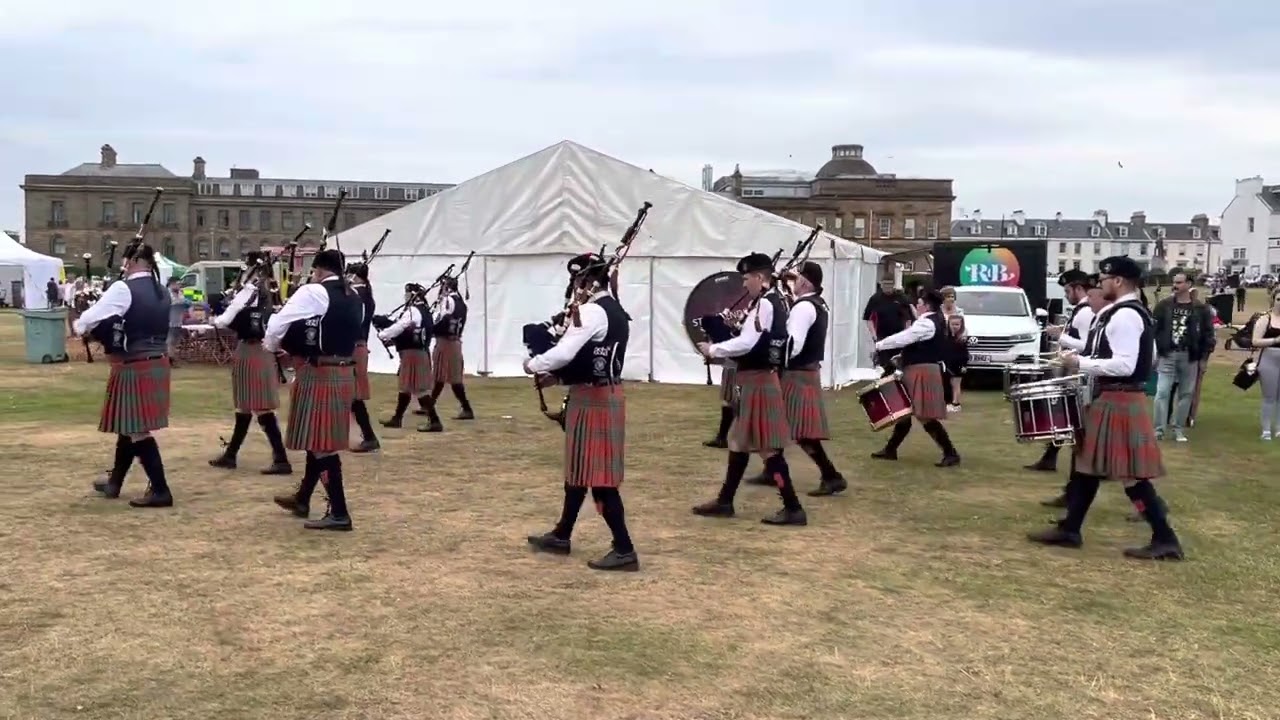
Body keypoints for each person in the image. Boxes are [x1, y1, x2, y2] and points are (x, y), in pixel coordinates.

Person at [1027, 256, 1184, 560]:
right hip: (1114, 397)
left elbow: (1126, 363)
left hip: (1120, 397)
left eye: (1102, 280)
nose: (1098, 285)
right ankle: (1071, 529)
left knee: (1130, 476)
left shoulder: (1126, 315)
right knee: (1088, 467)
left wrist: (1081, 363)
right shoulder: (1121, 313)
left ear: (1118, 281)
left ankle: (1165, 538)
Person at [523, 254, 638, 571]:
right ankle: (562, 534)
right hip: (598, 394)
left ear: (586, 281)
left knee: (600, 480)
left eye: (577, 282)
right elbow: (590, 357)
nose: (575, 289)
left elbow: (564, 351)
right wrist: (558, 378)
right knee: (578, 473)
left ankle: (625, 549)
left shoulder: (592, 311)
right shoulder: (612, 309)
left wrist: (533, 364)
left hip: (595, 399)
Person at [691, 252, 806, 526]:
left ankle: (793, 507)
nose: (743, 284)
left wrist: (714, 348)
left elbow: (749, 343)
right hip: (755, 379)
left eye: (746, 278)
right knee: (738, 442)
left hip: (759, 380)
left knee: (768, 450)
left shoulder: (766, 304)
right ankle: (725, 501)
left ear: (759, 277)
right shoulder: (769, 301)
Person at [267, 249, 363, 531]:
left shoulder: (314, 292)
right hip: (344, 372)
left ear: (319, 270)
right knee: (318, 440)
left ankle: (339, 512)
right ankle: (302, 498)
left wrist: (271, 347)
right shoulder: (354, 295)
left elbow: (277, 324)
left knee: (322, 447)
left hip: (320, 372)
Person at [75, 243, 175, 508]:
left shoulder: (123, 288)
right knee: (128, 426)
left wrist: (85, 325)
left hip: (135, 364)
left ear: (129, 262)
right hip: (157, 362)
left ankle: (161, 490)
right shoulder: (163, 291)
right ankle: (115, 482)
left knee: (138, 430)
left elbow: (86, 321)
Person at [207, 257, 292, 475]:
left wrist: (216, 317)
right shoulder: (265, 292)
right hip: (256, 349)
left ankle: (281, 458)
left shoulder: (251, 291)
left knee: (261, 407)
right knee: (245, 406)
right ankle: (231, 455)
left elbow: (225, 320)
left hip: (253, 350)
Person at [870, 288, 961, 466]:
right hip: (920, 369)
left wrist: (880, 345)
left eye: (919, 303)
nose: (916, 306)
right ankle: (890, 450)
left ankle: (951, 453)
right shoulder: (937, 319)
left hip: (923, 371)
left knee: (924, 415)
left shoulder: (926, 323)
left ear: (926, 305)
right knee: (905, 411)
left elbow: (905, 337)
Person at [782, 262, 847, 496]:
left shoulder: (803, 307)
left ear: (805, 282)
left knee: (799, 430)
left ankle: (831, 475)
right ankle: (829, 475)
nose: (794, 281)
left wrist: (777, 361)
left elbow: (794, 344)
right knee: (790, 427)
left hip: (796, 373)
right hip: (805, 373)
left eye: (797, 277)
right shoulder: (818, 304)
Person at [1028, 270, 1099, 477]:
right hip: (1072, 368)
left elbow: (1087, 345)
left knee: (1071, 417)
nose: (1066, 295)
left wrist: (1061, 337)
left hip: (1077, 370)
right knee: (1066, 416)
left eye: (1068, 290)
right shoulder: (1081, 310)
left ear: (1079, 288)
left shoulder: (1085, 312)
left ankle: (1078, 467)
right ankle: (1050, 457)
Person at [1151, 271, 1214, 442]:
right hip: (1168, 354)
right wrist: (1155, 355)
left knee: (1186, 393)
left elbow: (1208, 336)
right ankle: (1159, 429)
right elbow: (1153, 330)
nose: (1175, 285)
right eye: (1174, 282)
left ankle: (1178, 429)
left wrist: (1203, 359)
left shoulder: (1201, 309)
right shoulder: (1164, 306)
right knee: (1162, 392)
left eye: (1179, 282)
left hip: (1190, 355)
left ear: (1188, 284)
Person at [374, 284, 440, 429]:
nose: (405, 296)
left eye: (407, 293)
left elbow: (401, 326)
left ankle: (435, 421)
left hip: (413, 353)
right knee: (406, 387)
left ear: (412, 294)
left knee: (419, 390)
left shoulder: (413, 310)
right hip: (418, 352)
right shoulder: (425, 311)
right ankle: (397, 419)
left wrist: (383, 334)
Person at [420, 276, 474, 430]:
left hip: (446, 341)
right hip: (454, 341)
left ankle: (431, 405)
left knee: (444, 376)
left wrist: (430, 329)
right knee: (447, 378)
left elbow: (443, 319)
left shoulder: (449, 301)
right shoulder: (461, 303)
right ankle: (463, 408)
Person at [346, 261, 380, 453]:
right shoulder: (365, 293)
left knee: (353, 396)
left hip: (353, 345)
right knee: (350, 396)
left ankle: (369, 436)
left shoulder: (357, 295)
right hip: (359, 345)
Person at [863, 278, 915, 374]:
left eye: (890, 284)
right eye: (885, 284)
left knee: (899, 365)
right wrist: (874, 335)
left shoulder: (901, 298)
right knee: (884, 366)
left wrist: (907, 335)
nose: (887, 287)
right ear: (881, 285)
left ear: (893, 285)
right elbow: (868, 318)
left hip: (899, 337)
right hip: (882, 337)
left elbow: (909, 318)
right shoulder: (875, 298)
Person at [1251, 288, 1280, 440]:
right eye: (1279, 300)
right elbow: (1255, 341)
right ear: (1273, 300)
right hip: (1269, 358)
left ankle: (1279, 428)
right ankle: (1266, 429)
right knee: (1269, 396)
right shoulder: (1265, 319)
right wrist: (1274, 340)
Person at [941, 314, 969, 412]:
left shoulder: (962, 339)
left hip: (959, 365)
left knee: (956, 384)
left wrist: (964, 365)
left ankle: (956, 403)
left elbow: (965, 354)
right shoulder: (946, 337)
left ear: (961, 325)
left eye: (957, 324)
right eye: (952, 324)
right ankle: (948, 402)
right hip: (948, 364)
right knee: (948, 383)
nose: (954, 326)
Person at [165, 277, 190, 365]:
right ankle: (168, 359)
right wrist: (181, 302)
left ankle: (171, 358)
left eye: (179, 284)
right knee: (169, 341)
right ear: (171, 284)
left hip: (178, 321)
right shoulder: (166, 293)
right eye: (177, 283)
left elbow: (186, 303)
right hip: (169, 322)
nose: (179, 286)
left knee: (175, 341)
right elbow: (169, 303)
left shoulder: (180, 293)